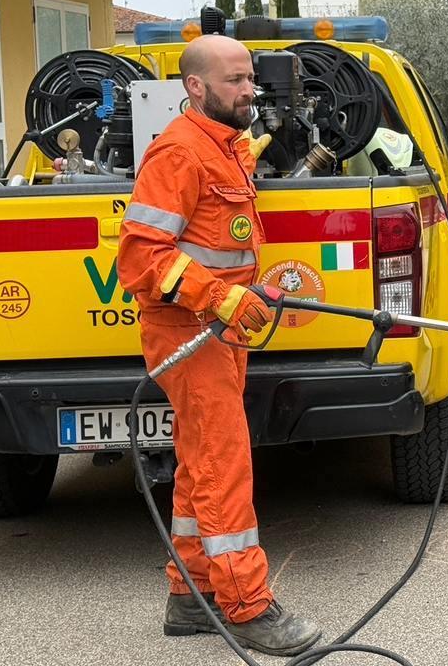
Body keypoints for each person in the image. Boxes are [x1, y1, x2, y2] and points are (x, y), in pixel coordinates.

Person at [117, 34, 323, 657]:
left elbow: (217, 242)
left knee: (198, 462)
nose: (250, 90)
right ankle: (245, 606)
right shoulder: (178, 155)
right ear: (196, 88)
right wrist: (217, 296)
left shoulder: (227, 146)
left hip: (220, 330)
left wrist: (241, 292)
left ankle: (190, 596)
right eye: (235, 80)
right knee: (222, 465)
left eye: (250, 78)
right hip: (189, 332)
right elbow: (140, 257)